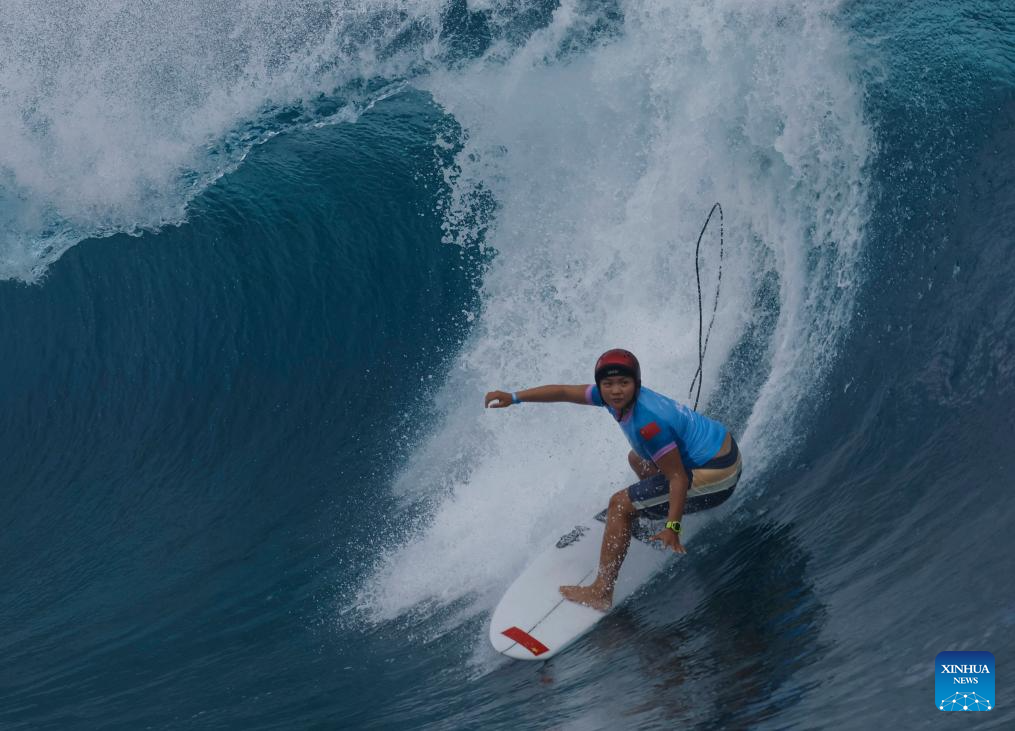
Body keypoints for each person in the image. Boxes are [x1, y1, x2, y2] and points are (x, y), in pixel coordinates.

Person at [484, 348, 742, 611]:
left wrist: (673, 527)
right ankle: (646, 515)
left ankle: (601, 591)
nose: (616, 390)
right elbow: (562, 392)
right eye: (608, 384)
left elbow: (677, 478)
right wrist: (513, 397)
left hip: (719, 472)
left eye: (624, 383)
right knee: (636, 459)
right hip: (718, 451)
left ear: (636, 384)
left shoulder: (648, 423)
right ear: (600, 386)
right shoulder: (608, 397)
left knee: (619, 504)